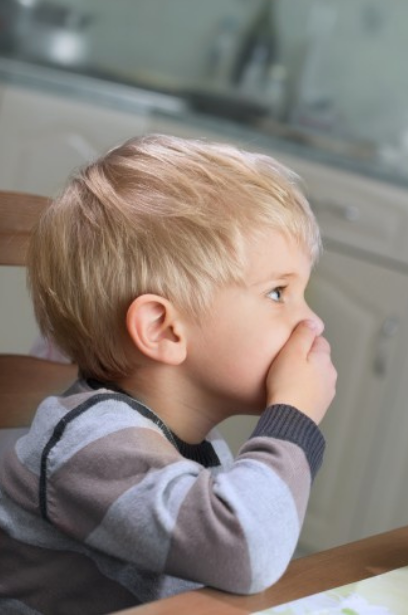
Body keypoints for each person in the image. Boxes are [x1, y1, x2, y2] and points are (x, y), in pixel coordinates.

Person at [0, 134, 337, 613]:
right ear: (162, 329)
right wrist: (294, 416)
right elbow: (247, 552)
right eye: (278, 293)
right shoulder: (91, 446)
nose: (312, 322)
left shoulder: (191, 441)